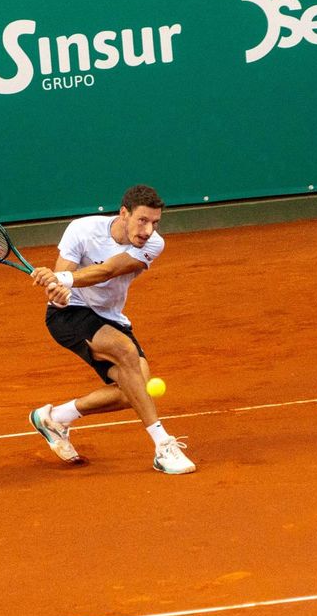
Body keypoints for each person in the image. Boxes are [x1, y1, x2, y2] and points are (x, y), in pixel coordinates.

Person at [27, 184, 196, 475]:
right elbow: (62, 281)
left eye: (154, 223)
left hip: (110, 318)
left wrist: (62, 279)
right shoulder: (82, 230)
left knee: (136, 391)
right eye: (142, 220)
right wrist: (58, 289)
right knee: (126, 351)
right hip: (69, 316)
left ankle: (54, 418)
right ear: (123, 213)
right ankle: (163, 446)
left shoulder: (153, 244)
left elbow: (109, 270)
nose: (147, 230)